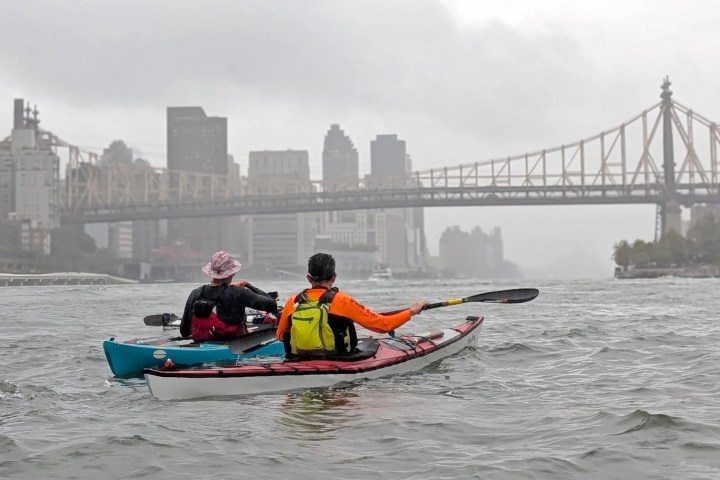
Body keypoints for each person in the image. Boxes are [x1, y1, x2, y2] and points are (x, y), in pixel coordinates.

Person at [276, 253, 426, 358]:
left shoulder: (293, 301)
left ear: (308, 278)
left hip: (298, 360)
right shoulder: (343, 301)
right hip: (339, 360)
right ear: (334, 277)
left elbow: (281, 336)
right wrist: (411, 311)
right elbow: (383, 326)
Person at [180, 251, 279, 341]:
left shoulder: (195, 293)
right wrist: (248, 286)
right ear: (230, 274)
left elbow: (184, 331)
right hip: (233, 347)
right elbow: (272, 304)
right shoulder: (239, 293)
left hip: (201, 344)